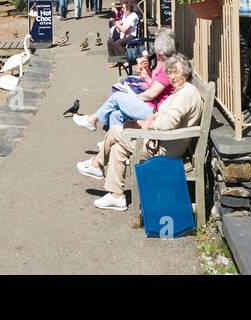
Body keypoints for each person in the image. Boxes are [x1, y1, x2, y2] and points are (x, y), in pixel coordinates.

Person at [76, 52, 203, 211]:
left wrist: (148, 127)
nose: (172, 77)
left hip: (165, 149)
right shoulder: (182, 89)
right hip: (162, 141)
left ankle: (97, 164)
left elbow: (169, 123)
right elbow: (164, 113)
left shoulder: (186, 94)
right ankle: (116, 196)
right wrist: (150, 119)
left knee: (116, 131)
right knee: (117, 148)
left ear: (185, 72)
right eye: (170, 73)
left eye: (176, 73)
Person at [72, 29, 178, 132]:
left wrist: (135, 98)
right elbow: (156, 87)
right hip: (152, 106)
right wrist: (146, 75)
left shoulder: (167, 66)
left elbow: (152, 94)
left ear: (159, 52)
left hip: (155, 111)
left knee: (118, 97)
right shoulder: (164, 63)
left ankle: (91, 120)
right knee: (116, 114)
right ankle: (112, 143)